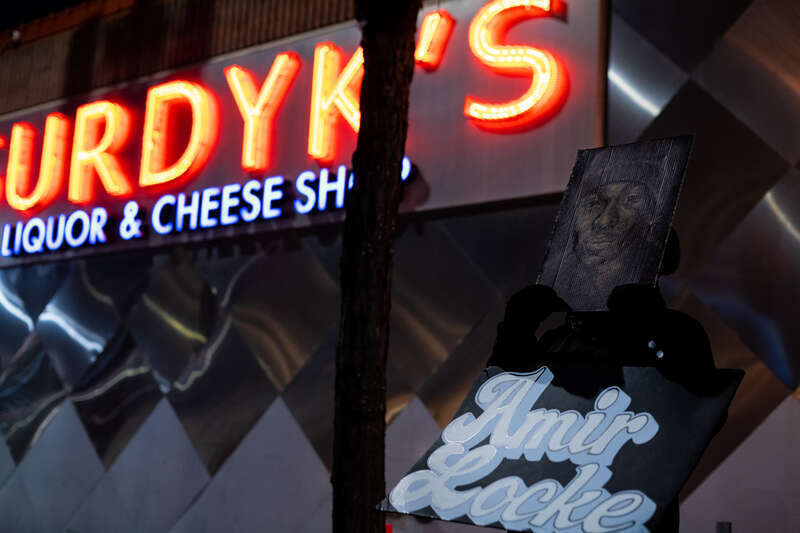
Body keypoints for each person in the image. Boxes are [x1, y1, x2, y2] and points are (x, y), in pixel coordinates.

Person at [488, 229, 716, 532]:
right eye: (589, 256)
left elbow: (701, 415)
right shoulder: (557, 339)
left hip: (628, 514)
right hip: (546, 513)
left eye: (613, 254)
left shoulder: (679, 332)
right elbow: (493, 415)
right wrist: (514, 334)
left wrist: (649, 333)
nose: (594, 266)